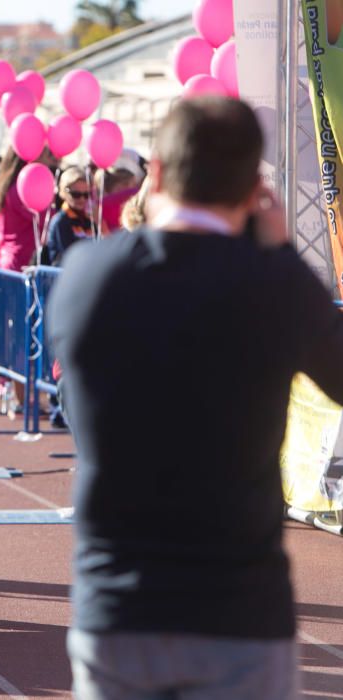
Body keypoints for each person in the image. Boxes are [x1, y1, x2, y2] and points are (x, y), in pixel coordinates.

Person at [48, 96, 343, 699]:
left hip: (120, 610)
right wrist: (283, 253)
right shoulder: (273, 284)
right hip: (239, 614)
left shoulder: (86, 275)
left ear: (154, 173)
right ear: (253, 189)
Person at [44, 167, 96, 266]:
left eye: (86, 195)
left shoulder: (90, 219)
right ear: (64, 192)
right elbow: (69, 256)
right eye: (76, 194)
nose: (81, 199)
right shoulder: (61, 221)